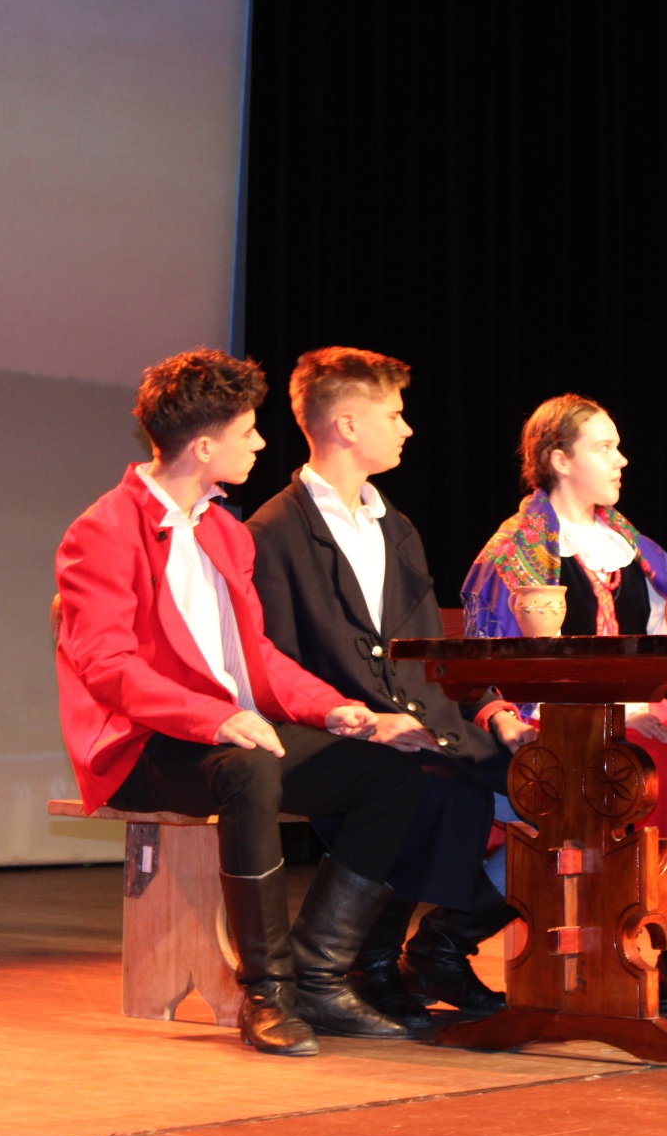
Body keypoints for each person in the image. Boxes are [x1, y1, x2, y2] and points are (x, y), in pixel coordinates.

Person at [54, 348, 424, 1057]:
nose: (259, 443)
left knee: (389, 773)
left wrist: (335, 710)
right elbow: (106, 666)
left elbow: (256, 656)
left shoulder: (224, 529)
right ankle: (267, 993)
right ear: (203, 446)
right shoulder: (103, 530)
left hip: (225, 736)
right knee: (248, 769)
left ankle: (319, 973)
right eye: (248, 431)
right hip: (143, 748)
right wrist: (215, 717)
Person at [248, 347, 535, 1029]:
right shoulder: (275, 531)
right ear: (348, 424)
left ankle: (436, 946)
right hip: (334, 729)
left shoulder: (394, 527)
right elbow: (275, 662)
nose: (407, 428)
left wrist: (491, 708)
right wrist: (366, 721)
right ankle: (364, 965)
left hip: (422, 720)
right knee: (426, 785)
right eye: (395, 414)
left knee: (555, 781)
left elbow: (429, 650)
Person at [461, 394, 667, 1010]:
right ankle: (624, 940)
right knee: (650, 765)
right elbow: (489, 658)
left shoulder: (624, 540)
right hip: (550, 716)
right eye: (604, 448)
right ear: (560, 460)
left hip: (630, 706)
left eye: (617, 446)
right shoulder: (517, 547)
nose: (621, 460)